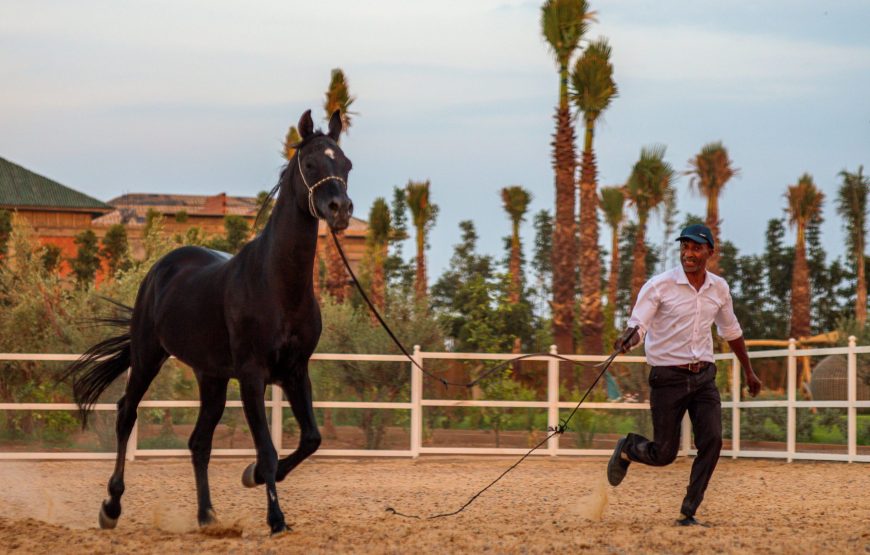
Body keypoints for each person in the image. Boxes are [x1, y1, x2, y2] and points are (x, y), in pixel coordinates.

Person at [607, 223, 762, 526]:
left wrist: (749, 371)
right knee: (664, 453)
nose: (688, 254)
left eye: (695, 248)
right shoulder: (659, 286)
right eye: (685, 247)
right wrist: (628, 338)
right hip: (667, 378)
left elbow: (731, 331)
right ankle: (628, 448)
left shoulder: (719, 288)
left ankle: (688, 511)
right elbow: (639, 324)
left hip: (703, 376)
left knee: (713, 440)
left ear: (709, 252)